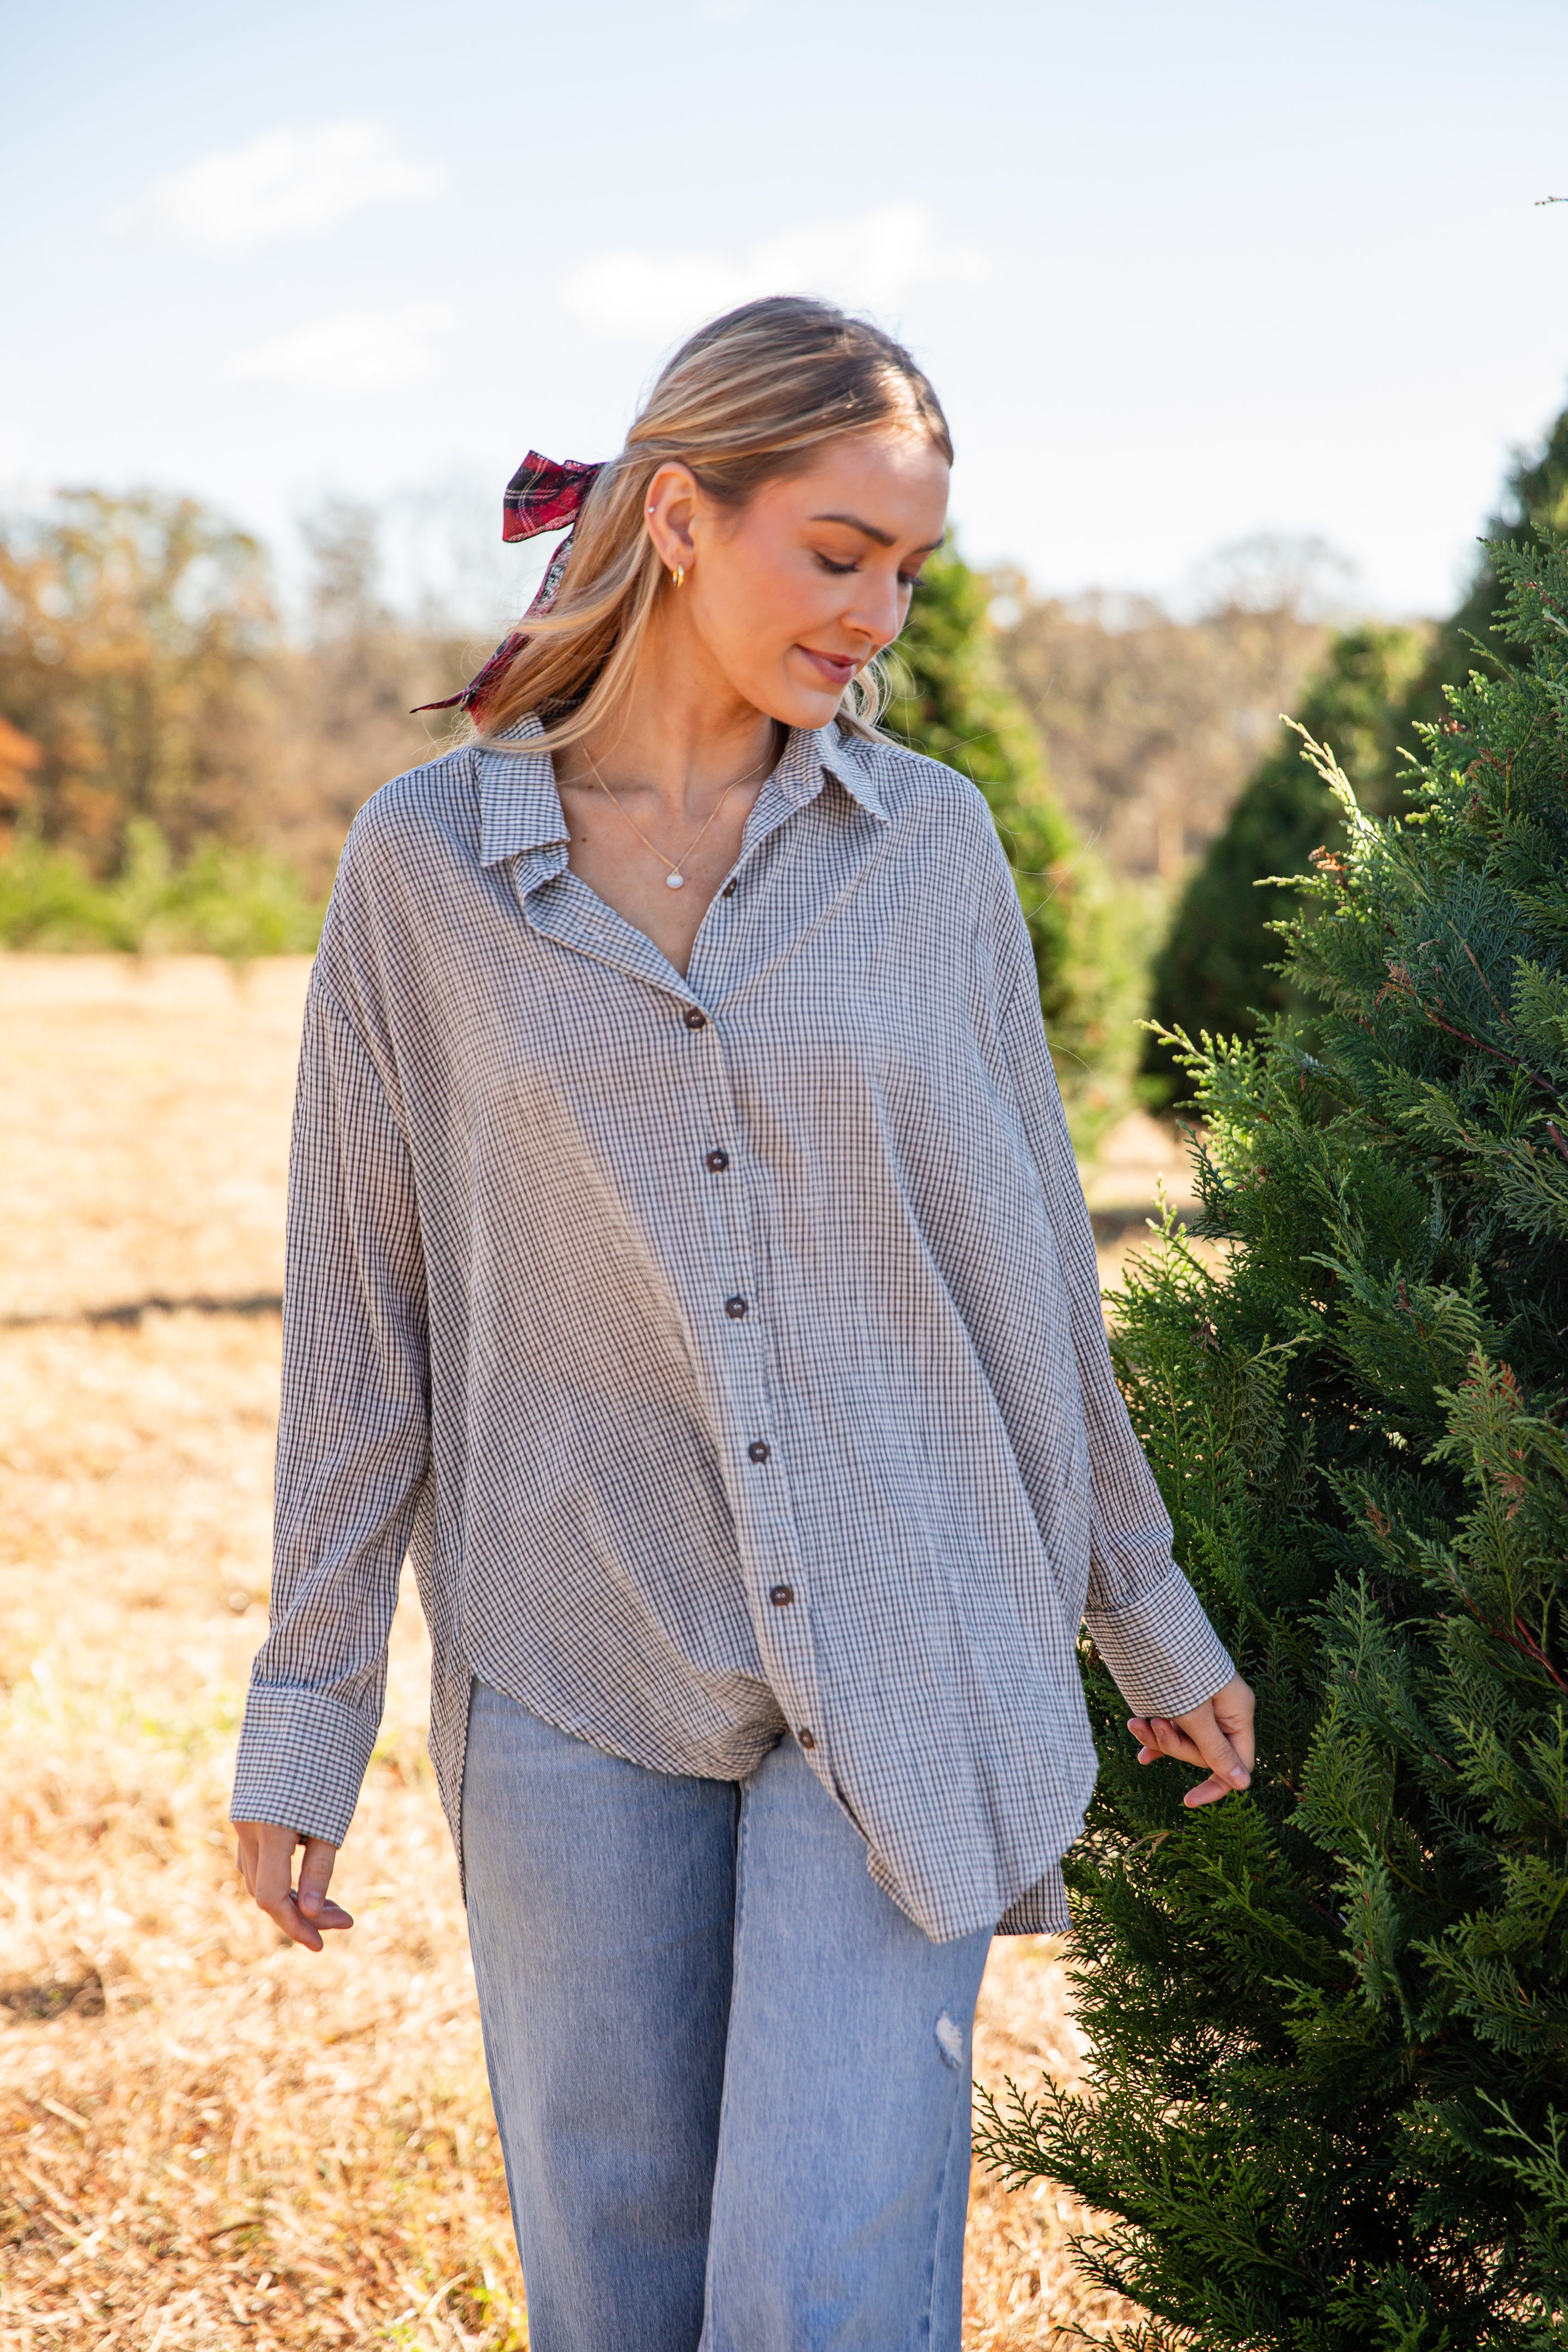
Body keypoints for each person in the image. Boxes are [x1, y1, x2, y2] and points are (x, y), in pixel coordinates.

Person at [230, 296, 1254, 2352]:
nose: (877, 613)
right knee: (614, 2280)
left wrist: (1139, 1608)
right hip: (573, 1645)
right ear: (679, 519)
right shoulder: (425, 869)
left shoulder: (932, 851)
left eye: (909, 569)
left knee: (826, 2292)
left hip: (914, 1612)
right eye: (838, 552)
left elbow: (1030, 1267)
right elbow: (365, 1319)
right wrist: (309, 1706)